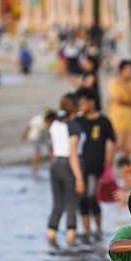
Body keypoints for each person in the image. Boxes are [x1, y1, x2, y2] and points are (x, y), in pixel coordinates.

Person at [76, 89, 116, 238]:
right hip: (80, 167)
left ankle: (98, 229)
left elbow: (113, 140)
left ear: (92, 102)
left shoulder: (103, 121)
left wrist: (108, 160)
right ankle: (86, 232)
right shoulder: (78, 121)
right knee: (82, 199)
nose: (81, 104)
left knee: (92, 197)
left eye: (83, 101)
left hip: (97, 166)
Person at [46, 94, 84, 246]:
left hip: (55, 164)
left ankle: (50, 240)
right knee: (71, 206)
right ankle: (71, 245)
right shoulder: (73, 126)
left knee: (57, 205)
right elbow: (73, 154)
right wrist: (79, 177)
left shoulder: (55, 123)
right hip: (69, 165)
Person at [107, 60, 131, 158]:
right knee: (113, 148)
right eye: (128, 69)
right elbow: (117, 100)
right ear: (121, 70)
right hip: (117, 121)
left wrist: (125, 85)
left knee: (127, 150)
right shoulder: (113, 82)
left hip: (130, 121)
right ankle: (108, 171)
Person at [21, 107, 55, 175]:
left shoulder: (50, 119)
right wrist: (24, 135)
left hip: (44, 136)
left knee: (51, 150)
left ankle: (53, 165)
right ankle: (34, 169)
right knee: (37, 152)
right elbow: (29, 126)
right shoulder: (37, 120)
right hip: (35, 137)